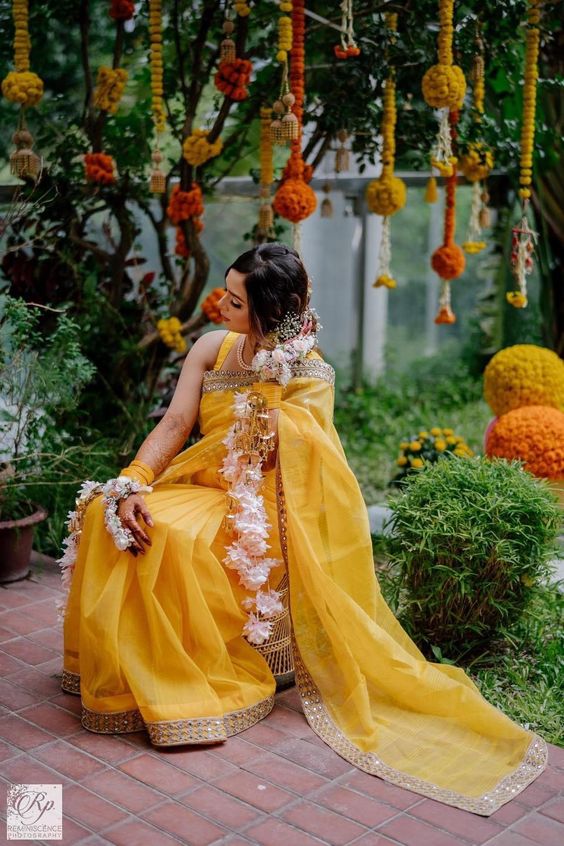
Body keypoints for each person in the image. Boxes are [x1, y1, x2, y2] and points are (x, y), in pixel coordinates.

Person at [60, 243, 546, 815]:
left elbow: (312, 468)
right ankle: (132, 669)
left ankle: (180, 686)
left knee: (178, 538)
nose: (220, 304)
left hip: (262, 510)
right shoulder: (213, 347)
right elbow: (176, 421)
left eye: (236, 302)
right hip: (201, 486)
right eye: (225, 290)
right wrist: (135, 481)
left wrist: (274, 400)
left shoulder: (305, 371)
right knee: (105, 511)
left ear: (269, 313)